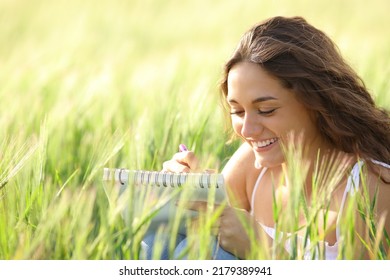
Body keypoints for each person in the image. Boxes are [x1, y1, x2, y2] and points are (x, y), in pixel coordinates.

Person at [142, 16, 390, 260]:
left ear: (315, 102)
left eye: (266, 110)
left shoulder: (370, 190)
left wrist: (266, 250)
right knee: (163, 241)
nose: (247, 131)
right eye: (238, 111)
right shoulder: (252, 165)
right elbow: (196, 231)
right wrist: (183, 192)